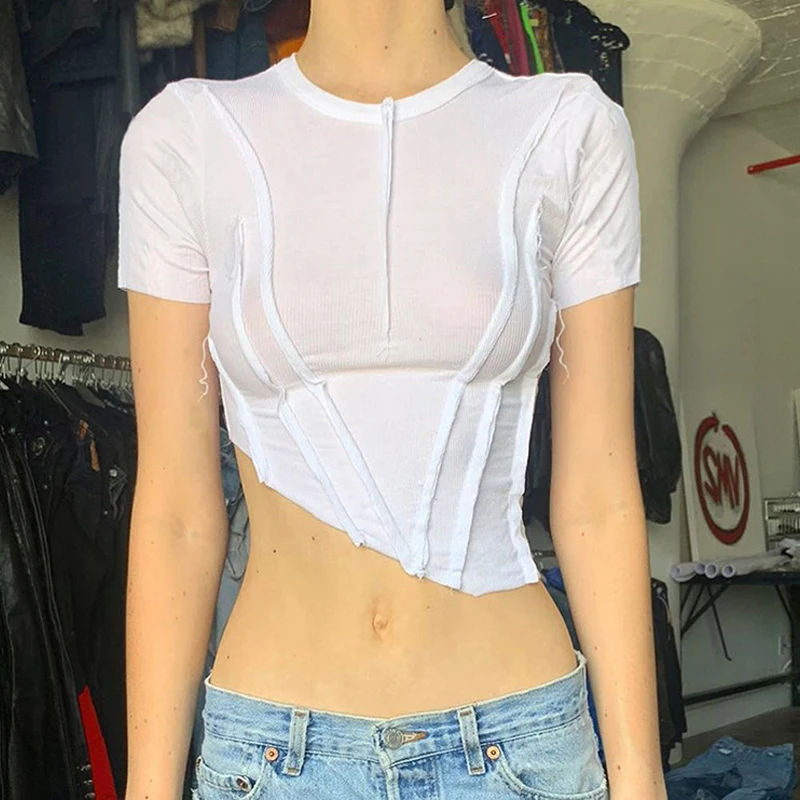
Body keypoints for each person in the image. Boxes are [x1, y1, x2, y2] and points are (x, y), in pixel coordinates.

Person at [117, 0, 668, 798]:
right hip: (272, 761)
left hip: (518, 747)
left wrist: (641, 779)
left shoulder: (569, 127)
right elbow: (175, 511)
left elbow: (598, 498)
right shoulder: (185, 137)